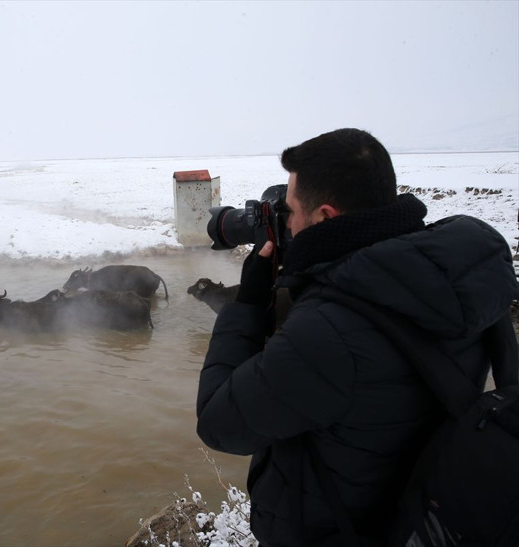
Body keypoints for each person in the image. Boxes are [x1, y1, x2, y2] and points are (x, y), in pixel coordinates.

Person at [196, 128, 519, 545]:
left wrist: (249, 302)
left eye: (290, 211)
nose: (286, 222)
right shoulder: (451, 278)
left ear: (327, 217)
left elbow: (219, 423)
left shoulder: (328, 331)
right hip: (412, 510)